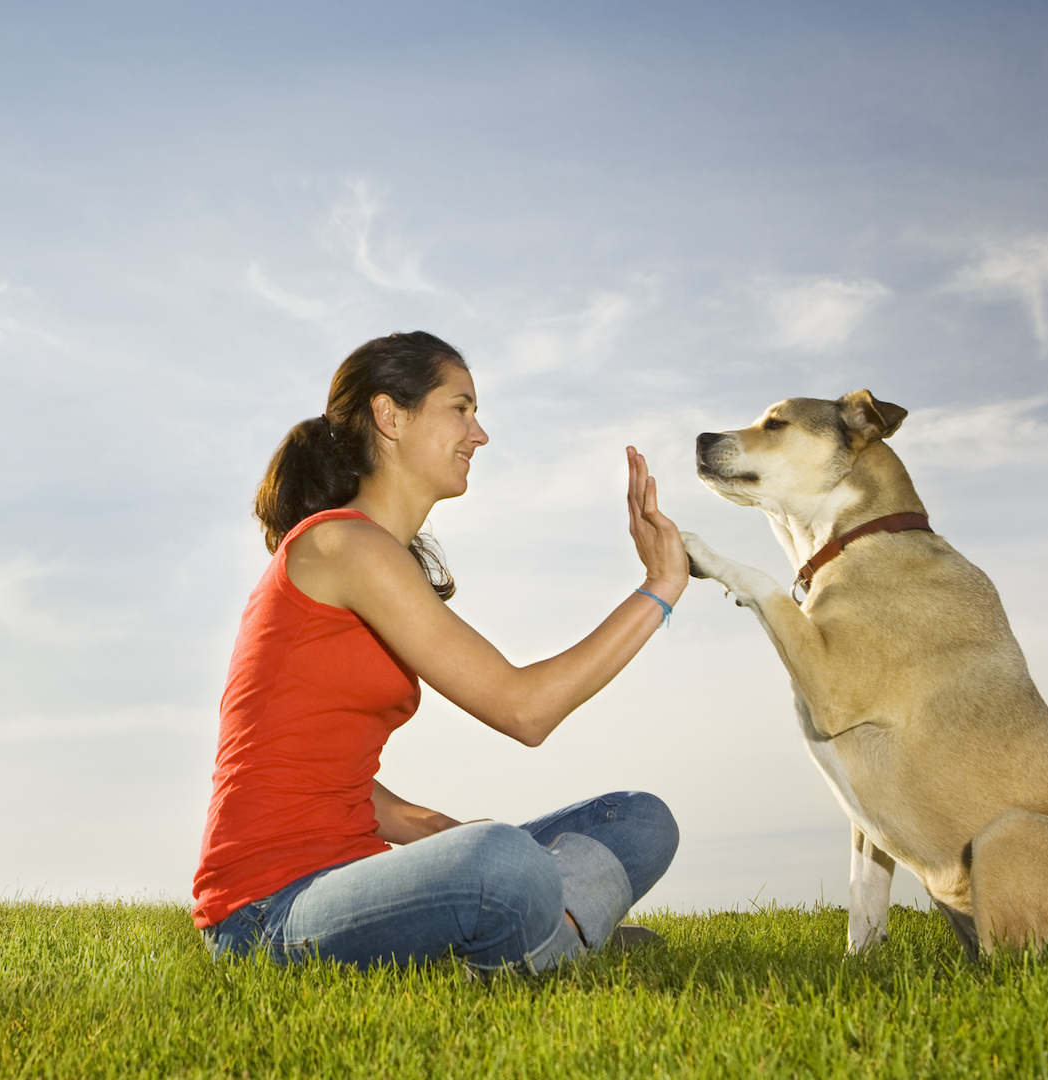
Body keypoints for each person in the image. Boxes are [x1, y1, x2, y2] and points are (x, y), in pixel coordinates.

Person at [193, 331, 691, 974]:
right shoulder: (342, 545)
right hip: (266, 912)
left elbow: (313, 762)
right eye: (461, 408)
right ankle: (554, 942)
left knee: (641, 821)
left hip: (355, 879)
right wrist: (661, 587)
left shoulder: (375, 556)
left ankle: (535, 933)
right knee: (504, 864)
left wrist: (437, 833)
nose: (479, 434)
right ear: (389, 415)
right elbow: (524, 710)